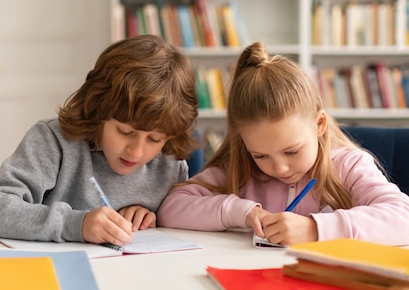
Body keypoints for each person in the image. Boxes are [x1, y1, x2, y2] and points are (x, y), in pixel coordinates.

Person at [157, 42, 409, 246]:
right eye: (261, 155)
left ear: (319, 125)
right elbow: (171, 208)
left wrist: (315, 229)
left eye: (291, 151)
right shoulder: (242, 168)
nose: (279, 168)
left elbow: (403, 218)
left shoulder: (347, 165)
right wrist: (241, 212)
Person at [0, 34, 199, 246]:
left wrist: (153, 217)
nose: (137, 152)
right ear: (98, 110)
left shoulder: (169, 161)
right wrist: (76, 224)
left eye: (154, 139)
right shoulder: (55, 141)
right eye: (125, 132)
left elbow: (179, 227)